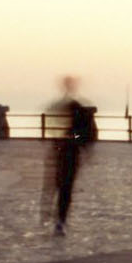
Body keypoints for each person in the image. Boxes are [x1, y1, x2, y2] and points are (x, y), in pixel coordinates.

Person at [44, 77, 95, 235]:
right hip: (66, 151)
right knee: (63, 187)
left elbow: (85, 135)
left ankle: (58, 218)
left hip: (64, 151)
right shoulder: (75, 110)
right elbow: (88, 136)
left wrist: (72, 139)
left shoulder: (72, 111)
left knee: (59, 185)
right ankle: (59, 218)